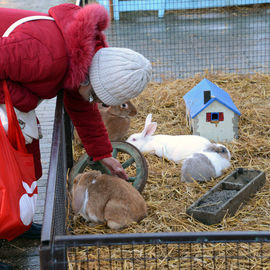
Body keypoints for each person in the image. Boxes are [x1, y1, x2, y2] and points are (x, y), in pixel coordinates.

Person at [0, 1, 152, 245]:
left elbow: (81, 105)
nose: (94, 103)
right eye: (96, 97)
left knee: (13, 163)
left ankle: (13, 224)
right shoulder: (45, 56)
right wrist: (24, 98)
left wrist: (103, 154)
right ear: (88, 82)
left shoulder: (80, 62)